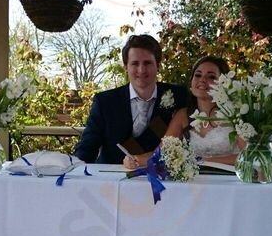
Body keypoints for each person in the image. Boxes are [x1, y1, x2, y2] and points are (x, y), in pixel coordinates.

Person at [73, 34, 189, 164]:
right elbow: (88, 146)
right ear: (126, 67)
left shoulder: (178, 95)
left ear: (158, 65)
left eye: (147, 63)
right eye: (135, 63)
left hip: (157, 172)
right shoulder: (105, 101)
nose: (141, 70)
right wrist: (75, 169)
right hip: (112, 172)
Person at [123, 55, 244, 169]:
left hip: (232, 180)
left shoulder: (235, 114)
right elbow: (163, 152)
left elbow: (249, 155)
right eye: (198, 75)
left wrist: (205, 160)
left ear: (224, 83)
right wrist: (137, 160)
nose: (202, 80)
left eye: (211, 77)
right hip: (197, 181)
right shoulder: (183, 115)